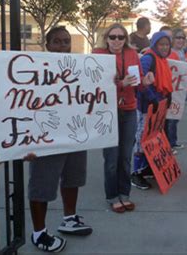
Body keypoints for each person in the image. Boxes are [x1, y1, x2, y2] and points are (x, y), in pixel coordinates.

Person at [27, 27, 91, 252]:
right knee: (41, 185)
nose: (63, 46)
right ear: (47, 44)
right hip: (45, 137)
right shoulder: (35, 69)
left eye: (66, 41)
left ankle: (69, 219)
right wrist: (25, 142)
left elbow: (92, 92)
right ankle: (39, 233)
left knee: (73, 177)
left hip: (73, 133)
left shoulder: (77, 68)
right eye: (57, 42)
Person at [93, 23, 153, 212]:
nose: (117, 41)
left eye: (121, 37)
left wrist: (145, 82)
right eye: (113, 37)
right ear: (106, 38)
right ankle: (112, 196)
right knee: (111, 158)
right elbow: (95, 84)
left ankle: (124, 194)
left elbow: (140, 85)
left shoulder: (132, 54)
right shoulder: (99, 55)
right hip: (108, 111)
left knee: (125, 156)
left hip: (129, 109)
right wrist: (120, 84)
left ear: (126, 39)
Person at [131, 31, 174, 190]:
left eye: (167, 44)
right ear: (154, 44)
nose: (164, 47)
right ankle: (135, 174)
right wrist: (153, 97)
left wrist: (166, 98)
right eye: (161, 44)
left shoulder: (162, 61)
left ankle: (146, 168)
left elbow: (166, 83)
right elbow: (140, 80)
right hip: (145, 107)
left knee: (153, 138)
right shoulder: (149, 58)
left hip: (158, 107)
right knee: (142, 139)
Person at [165, 28, 187, 150]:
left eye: (183, 38)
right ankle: (169, 144)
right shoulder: (169, 52)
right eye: (178, 37)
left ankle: (173, 141)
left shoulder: (183, 52)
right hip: (170, 90)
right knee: (170, 119)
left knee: (175, 117)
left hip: (179, 90)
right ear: (173, 39)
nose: (180, 40)